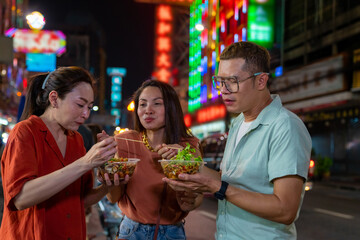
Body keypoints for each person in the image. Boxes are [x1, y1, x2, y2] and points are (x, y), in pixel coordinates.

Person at [163, 41, 312, 240]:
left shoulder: (285, 127)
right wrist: (185, 162)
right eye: (220, 81)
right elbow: (226, 180)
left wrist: (219, 188)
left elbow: (285, 210)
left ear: (261, 81)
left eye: (232, 81)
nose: (223, 89)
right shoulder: (238, 122)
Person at [0, 67, 118, 239]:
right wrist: (86, 162)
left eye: (90, 107)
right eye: (80, 104)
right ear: (54, 98)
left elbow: (81, 199)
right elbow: (20, 198)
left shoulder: (76, 139)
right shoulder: (25, 132)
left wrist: (109, 184)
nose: (86, 114)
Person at [98, 79, 203, 240]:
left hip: (172, 233)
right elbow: (114, 197)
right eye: (143, 104)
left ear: (171, 108)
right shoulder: (123, 141)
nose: (148, 110)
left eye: (157, 104)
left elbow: (196, 199)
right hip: (131, 231)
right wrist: (108, 169)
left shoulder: (189, 146)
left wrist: (182, 167)